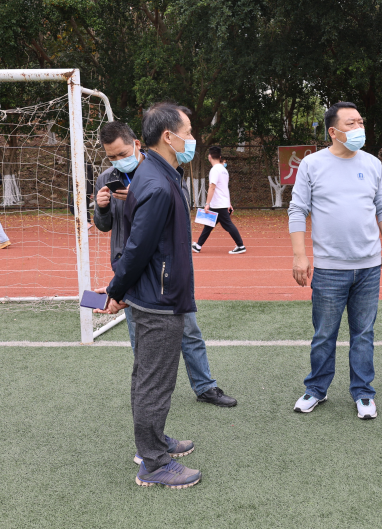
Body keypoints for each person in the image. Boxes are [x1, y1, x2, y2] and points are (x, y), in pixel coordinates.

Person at [97, 102, 204, 489]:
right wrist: (116, 290)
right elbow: (137, 248)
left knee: (149, 377)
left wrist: (123, 289)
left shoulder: (158, 173)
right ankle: (154, 463)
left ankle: (155, 442)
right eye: (187, 132)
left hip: (156, 292)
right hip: (158, 300)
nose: (192, 139)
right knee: (154, 382)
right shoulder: (157, 183)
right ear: (168, 137)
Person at [93, 121, 236, 409]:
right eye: (112, 157)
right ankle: (147, 392)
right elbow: (103, 225)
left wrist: (136, 198)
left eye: (122, 153)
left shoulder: (161, 170)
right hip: (129, 267)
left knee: (189, 330)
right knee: (139, 337)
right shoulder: (106, 178)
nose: (118, 161)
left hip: (166, 269)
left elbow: (179, 208)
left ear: (136, 144)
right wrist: (102, 206)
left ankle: (205, 386)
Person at [288, 101, 382, 420]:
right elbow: (298, 210)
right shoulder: (312, 165)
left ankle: (363, 393)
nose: (359, 127)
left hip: (368, 268)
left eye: (360, 121)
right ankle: (316, 389)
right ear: (333, 131)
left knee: (363, 334)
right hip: (329, 269)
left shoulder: (373, 164)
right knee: (324, 334)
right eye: (351, 123)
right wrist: (300, 255)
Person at [191, 146, 245, 255]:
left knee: (227, 225)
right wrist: (229, 203)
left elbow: (212, 187)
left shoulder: (215, 170)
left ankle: (240, 246)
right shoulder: (224, 170)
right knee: (209, 225)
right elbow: (225, 188)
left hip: (218, 204)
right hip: (220, 203)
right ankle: (198, 246)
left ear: (209, 157)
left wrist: (207, 203)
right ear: (220, 157)